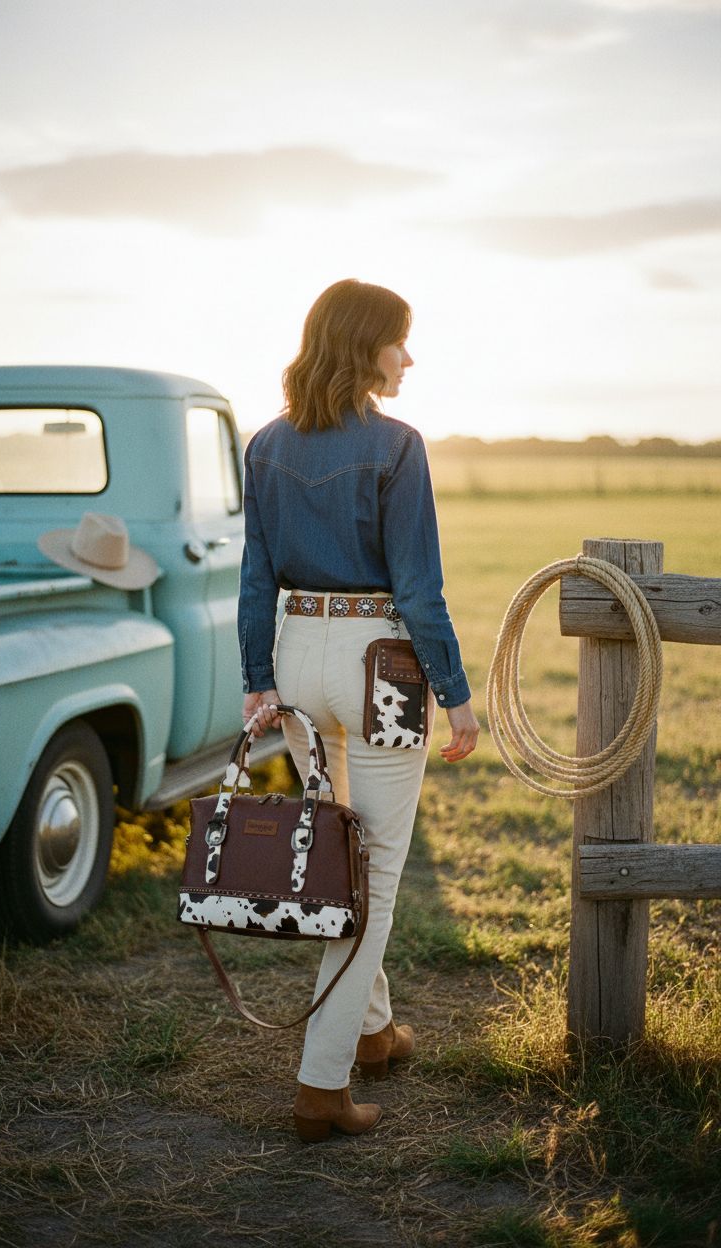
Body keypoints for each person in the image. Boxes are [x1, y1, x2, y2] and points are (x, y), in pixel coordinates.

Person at [237, 278, 480, 1142]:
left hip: (299, 659)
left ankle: (373, 1036)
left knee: (343, 855)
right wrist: (455, 694)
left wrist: (256, 677)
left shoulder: (264, 445)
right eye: (399, 342)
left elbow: (255, 576)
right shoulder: (398, 446)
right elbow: (418, 586)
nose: (409, 359)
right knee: (369, 873)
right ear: (362, 345)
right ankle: (320, 1087)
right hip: (380, 659)